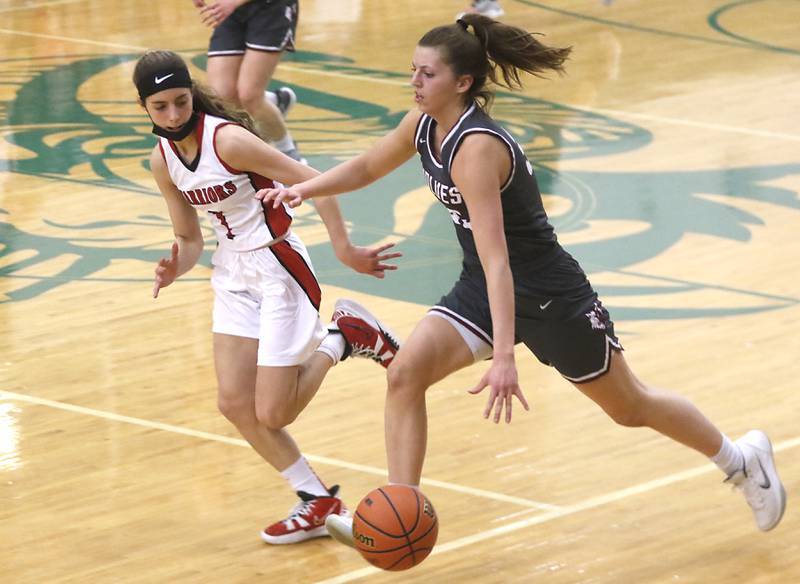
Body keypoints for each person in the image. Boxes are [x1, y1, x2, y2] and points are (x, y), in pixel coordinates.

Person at [257, 14, 787, 546]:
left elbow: (498, 260)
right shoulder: (422, 124)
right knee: (405, 376)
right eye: (412, 71)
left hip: (548, 293)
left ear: (462, 83)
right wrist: (305, 189)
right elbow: (370, 166)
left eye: (427, 75)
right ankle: (401, 515)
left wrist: (506, 355)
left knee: (630, 406)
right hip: (484, 287)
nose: (414, 83)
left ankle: (741, 460)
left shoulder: (476, 149)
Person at [133, 49, 403, 544]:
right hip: (232, 273)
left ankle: (344, 337)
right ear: (144, 108)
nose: (173, 115)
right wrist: (176, 265)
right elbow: (190, 239)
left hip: (279, 266)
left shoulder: (229, 140)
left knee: (275, 412)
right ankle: (317, 500)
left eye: (180, 101)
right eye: (160, 107)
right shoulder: (162, 159)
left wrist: (343, 248)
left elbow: (315, 183)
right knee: (235, 403)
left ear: (192, 95)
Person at [191, 0, 305, 161]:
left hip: (271, 8)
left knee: (250, 96)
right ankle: (274, 102)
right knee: (221, 96)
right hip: (230, 9)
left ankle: (289, 153)